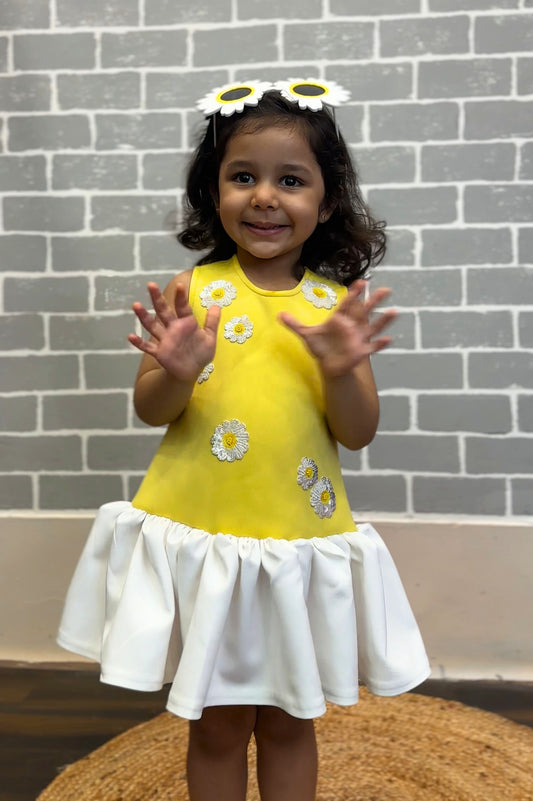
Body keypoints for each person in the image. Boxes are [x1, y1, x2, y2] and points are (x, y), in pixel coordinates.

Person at [58, 79, 430, 801]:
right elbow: (151, 409)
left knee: (291, 719)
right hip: (210, 541)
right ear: (212, 192)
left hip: (293, 542)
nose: (264, 196)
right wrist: (177, 371)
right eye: (242, 177)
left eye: (290, 180)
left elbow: (356, 433)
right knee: (219, 721)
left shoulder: (331, 310)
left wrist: (344, 369)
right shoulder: (194, 294)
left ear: (324, 202)